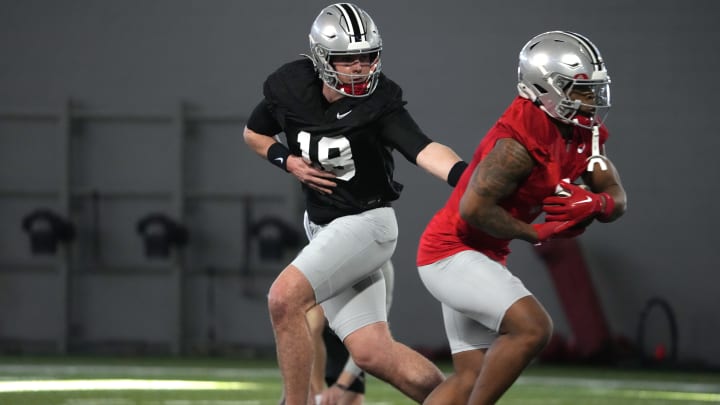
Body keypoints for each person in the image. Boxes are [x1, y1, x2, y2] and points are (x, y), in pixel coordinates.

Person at [243, 3, 467, 404]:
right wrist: (288, 160)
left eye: (367, 57)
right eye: (348, 59)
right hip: (325, 228)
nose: (360, 67)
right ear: (321, 58)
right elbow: (254, 134)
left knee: (284, 298)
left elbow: (424, 148)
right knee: (372, 352)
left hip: (366, 222)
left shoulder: (379, 101)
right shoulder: (291, 87)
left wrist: (467, 177)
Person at [416, 31, 627, 404]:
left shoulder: (583, 133)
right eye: (579, 90)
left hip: (480, 253)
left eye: (594, 90)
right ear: (542, 88)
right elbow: (473, 208)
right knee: (532, 329)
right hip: (450, 252)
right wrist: (535, 232)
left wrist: (596, 205)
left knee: (470, 378)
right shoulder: (516, 145)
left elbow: (615, 196)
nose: (590, 100)